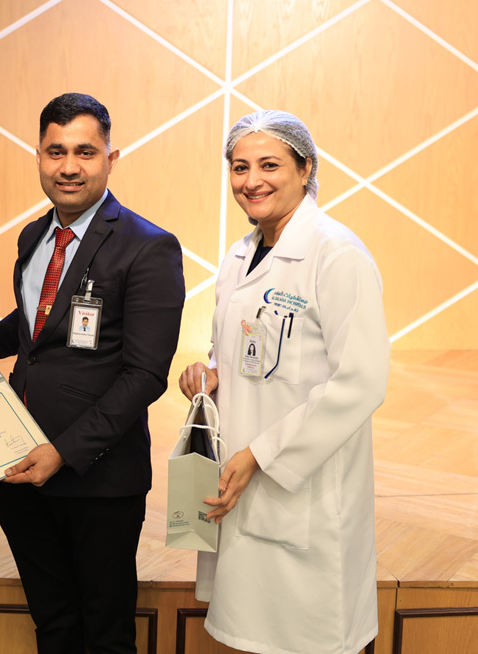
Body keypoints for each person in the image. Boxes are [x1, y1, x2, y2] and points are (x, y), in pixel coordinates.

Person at [0, 93, 185, 654]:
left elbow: (145, 374)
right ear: (38, 156)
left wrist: (63, 451)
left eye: (85, 151)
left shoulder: (148, 247)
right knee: (53, 627)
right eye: (56, 152)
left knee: (106, 636)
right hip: (20, 470)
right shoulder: (34, 236)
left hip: (98, 482)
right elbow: (37, 323)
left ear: (111, 158)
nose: (69, 167)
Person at [179, 110, 389, 654]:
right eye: (239, 167)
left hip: (303, 491)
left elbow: (361, 380)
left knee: (305, 637)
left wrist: (262, 453)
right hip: (241, 474)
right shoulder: (238, 255)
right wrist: (210, 373)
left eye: (269, 165)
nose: (252, 181)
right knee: (249, 632)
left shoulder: (337, 253)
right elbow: (245, 352)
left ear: (306, 168)